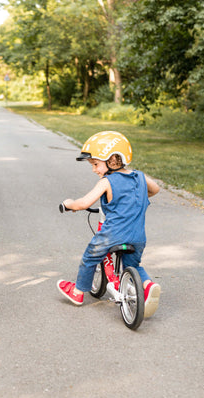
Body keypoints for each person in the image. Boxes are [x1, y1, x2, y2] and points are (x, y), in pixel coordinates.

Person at [57, 131, 162, 318]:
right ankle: (147, 286)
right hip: (138, 236)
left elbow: (83, 203)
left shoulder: (107, 181)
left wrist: (68, 204)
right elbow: (155, 189)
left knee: (90, 257)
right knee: (134, 265)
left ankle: (78, 292)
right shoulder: (140, 177)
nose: (94, 169)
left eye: (96, 164)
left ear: (113, 160)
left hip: (112, 234)